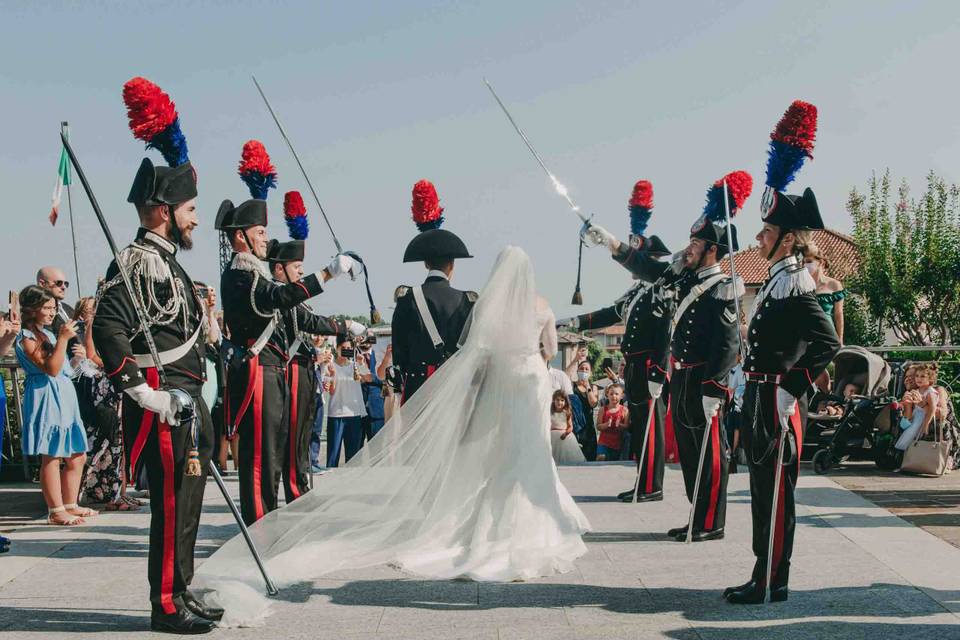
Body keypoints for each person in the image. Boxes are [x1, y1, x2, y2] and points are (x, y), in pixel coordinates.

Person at [195, 247, 590, 627]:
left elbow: (406, 349)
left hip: (427, 385)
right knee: (520, 452)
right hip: (515, 383)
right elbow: (538, 349)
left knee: (433, 456)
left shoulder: (419, 300)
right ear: (452, 264)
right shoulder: (483, 302)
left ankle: (435, 511)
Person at [92, 132, 220, 631]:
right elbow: (108, 329)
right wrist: (146, 394)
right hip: (166, 404)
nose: (194, 218)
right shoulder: (136, 263)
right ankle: (165, 603)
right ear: (165, 209)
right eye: (189, 208)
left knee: (187, 505)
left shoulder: (168, 264)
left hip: (188, 400)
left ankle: (181, 590)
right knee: (169, 506)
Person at [725, 103, 841, 605]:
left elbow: (828, 343)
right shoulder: (777, 278)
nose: (758, 238)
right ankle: (762, 574)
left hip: (776, 400)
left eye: (766, 233)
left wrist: (791, 392)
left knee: (774, 494)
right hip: (760, 396)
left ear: (789, 238)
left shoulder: (795, 279)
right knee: (761, 490)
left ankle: (773, 580)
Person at [217, 191, 359, 525]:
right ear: (241, 237)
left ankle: (272, 520)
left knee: (277, 451)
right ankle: (259, 526)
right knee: (260, 459)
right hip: (257, 371)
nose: (266, 238)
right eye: (260, 232)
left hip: (273, 372)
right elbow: (280, 297)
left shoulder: (253, 274)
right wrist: (326, 273)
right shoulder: (241, 276)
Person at [570, 179, 682, 502]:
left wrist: (658, 372)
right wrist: (574, 323)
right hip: (633, 366)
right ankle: (643, 481)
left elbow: (663, 334)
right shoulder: (636, 292)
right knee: (641, 426)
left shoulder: (661, 289)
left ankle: (652, 485)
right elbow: (609, 314)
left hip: (649, 367)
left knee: (651, 426)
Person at [663, 177, 745, 543]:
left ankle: (712, 521)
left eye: (695, 243)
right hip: (681, 380)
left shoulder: (722, 288)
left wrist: (715, 386)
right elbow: (660, 281)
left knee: (711, 454)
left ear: (712, 249)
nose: (689, 248)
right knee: (690, 453)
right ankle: (697, 515)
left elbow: (728, 346)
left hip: (703, 382)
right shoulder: (687, 281)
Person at [266, 239, 350, 501]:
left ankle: (299, 487)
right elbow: (309, 322)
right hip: (290, 373)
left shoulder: (291, 298)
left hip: (302, 372)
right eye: (297, 266)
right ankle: (296, 489)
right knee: (294, 437)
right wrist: (343, 326)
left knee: (301, 435)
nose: (301, 272)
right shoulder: (280, 295)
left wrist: (342, 328)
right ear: (280, 269)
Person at [392, 180, 476, 403]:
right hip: (455, 390)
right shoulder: (467, 300)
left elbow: (399, 355)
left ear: (425, 264)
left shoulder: (407, 299)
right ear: (452, 265)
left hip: (418, 388)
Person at [16, 285, 91, 526]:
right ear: (32, 309)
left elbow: (62, 366)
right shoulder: (26, 338)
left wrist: (76, 358)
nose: (52, 312)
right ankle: (55, 510)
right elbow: (50, 368)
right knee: (52, 454)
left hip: (64, 393)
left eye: (53, 307)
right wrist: (63, 339)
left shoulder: (47, 334)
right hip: (45, 395)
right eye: (47, 307)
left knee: (77, 453)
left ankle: (70, 503)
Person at [72, 297, 129, 510]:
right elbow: (91, 355)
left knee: (118, 443)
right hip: (100, 392)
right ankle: (97, 494)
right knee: (101, 441)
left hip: (115, 389)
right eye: (89, 310)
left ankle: (118, 493)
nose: (94, 312)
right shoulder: (83, 330)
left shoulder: (110, 327)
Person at [326, 335, 371, 467]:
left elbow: (368, 378)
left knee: (353, 459)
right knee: (333, 456)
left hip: (354, 415)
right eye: (343, 348)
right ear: (337, 348)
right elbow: (331, 390)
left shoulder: (355, 365)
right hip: (337, 414)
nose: (346, 350)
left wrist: (361, 363)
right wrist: (333, 374)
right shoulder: (331, 366)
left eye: (349, 348)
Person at [804, 247, 845, 343]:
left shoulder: (834, 285)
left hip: (828, 333)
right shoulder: (802, 285)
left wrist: (840, 340)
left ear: (821, 262)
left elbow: (838, 314)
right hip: (807, 334)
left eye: (809, 261)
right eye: (804, 262)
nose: (806, 265)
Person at [895, 363, 937, 451]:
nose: (918, 378)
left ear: (930, 378)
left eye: (922, 376)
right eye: (917, 376)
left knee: (913, 435)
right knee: (908, 433)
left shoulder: (930, 392)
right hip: (915, 417)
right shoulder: (917, 390)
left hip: (922, 419)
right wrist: (907, 403)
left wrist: (926, 424)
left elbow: (932, 408)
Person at [570, 358, 599, 461]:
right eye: (581, 369)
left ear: (590, 373)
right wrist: (575, 360)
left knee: (590, 456)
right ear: (577, 371)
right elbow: (564, 375)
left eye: (587, 369)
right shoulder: (572, 385)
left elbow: (593, 403)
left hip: (588, 426)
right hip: (575, 424)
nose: (584, 371)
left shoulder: (593, 387)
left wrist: (588, 387)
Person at [550, 390, 585, 464]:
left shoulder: (566, 413)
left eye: (562, 400)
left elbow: (570, 427)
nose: (559, 402)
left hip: (564, 436)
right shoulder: (550, 412)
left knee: (566, 457)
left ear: (565, 402)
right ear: (553, 400)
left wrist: (566, 434)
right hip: (552, 436)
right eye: (557, 400)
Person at [36, 266, 74, 334]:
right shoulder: (34, 312)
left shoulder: (69, 309)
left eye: (66, 284)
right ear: (42, 284)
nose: (64, 287)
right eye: (59, 283)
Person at [596, 384, 629, 461]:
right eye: (611, 394)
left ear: (622, 396)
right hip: (604, 442)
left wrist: (620, 425)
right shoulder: (603, 409)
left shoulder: (625, 410)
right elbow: (598, 426)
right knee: (601, 457)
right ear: (607, 395)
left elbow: (627, 426)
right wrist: (606, 424)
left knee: (613, 464)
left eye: (616, 394)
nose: (614, 396)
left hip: (617, 444)